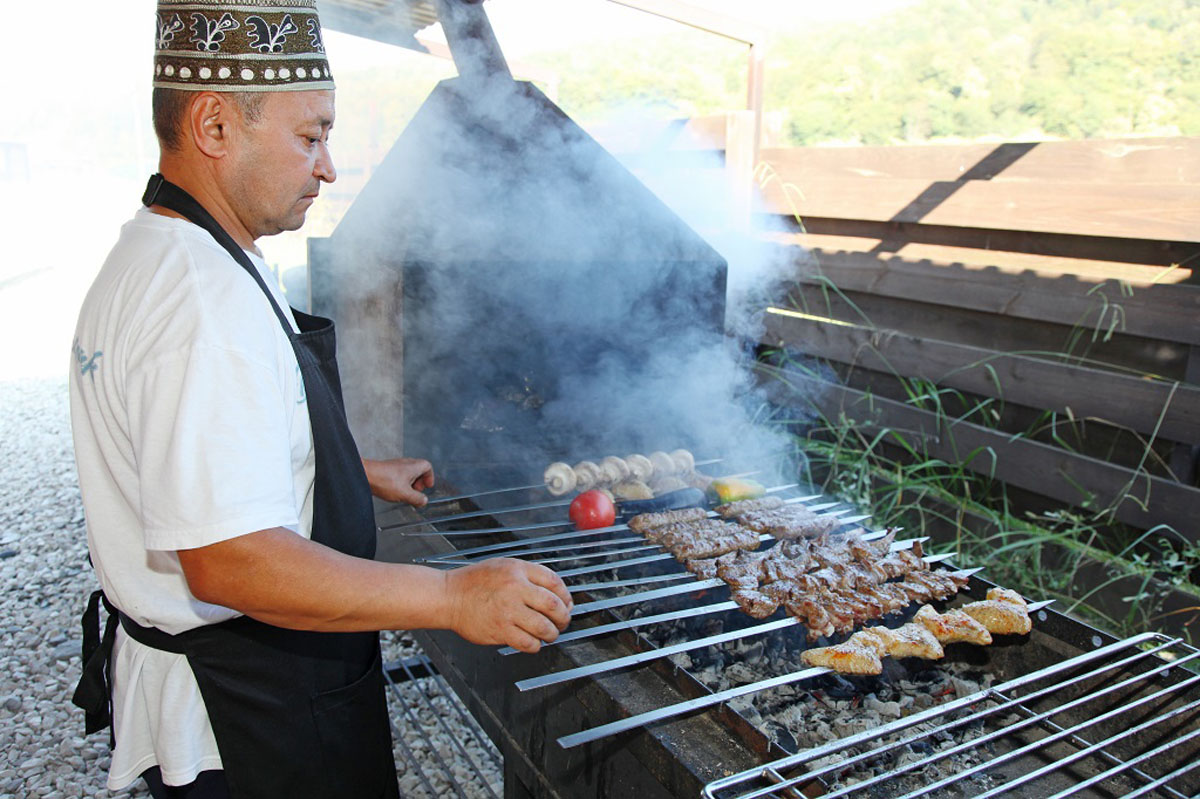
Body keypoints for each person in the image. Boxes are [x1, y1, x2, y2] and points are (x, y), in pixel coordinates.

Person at [68, 2, 572, 797]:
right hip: (249, 721)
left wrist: (346, 467)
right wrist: (450, 593)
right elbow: (230, 560)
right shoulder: (202, 299)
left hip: (226, 699)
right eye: (311, 135)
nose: (329, 166)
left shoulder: (157, 253)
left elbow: (193, 450)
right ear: (213, 124)